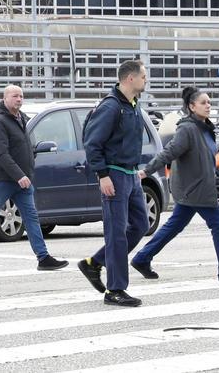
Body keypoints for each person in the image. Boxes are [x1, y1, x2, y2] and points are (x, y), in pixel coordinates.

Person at [132, 87, 219, 286]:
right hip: (195, 190)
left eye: (209, 103)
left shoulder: (205, 127)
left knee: (173, 226)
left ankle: (142, 258)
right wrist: (147, 171)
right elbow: (169, 152)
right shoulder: (187, 128)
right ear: (191, 106)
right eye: (203, 103)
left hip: (196, 188)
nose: (208, 106)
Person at [0, 85, 68, 272]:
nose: (19, 99)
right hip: (3, 179)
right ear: (5, 99)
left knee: (32, 217)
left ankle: (43, 258)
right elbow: (1, 154)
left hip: (23, 180)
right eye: (14, 96)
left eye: (21, 96)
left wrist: (26, 172)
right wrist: (19, 175)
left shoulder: (20, 119)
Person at [77, 59, 151, 308]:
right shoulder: (111, 107)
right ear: (130, 78)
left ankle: (94, 263)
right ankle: (115, 290)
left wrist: (136, 170)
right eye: (143, 76)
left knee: (140, 225)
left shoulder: (132, 104)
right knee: (116, 234)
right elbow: (92, 143)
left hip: (131, 175)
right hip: (115, 176)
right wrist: (102, 175)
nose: (145, 80)